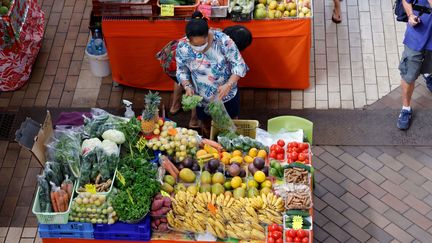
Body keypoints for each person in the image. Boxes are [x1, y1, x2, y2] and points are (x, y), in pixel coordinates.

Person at [175, 11, 249, 136]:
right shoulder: (183, 46)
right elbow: (181, 70)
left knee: (231, 127)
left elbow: (239, 65)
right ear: (188, 39)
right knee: (206, 126)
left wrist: (229, 85)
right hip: (202, 97)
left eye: (202, 44)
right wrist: (187, 86)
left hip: (227, 95)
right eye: (195, 45)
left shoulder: (223, 41)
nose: (199, 48)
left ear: (208, 34)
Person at [397, 0, 432, 130]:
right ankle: (406, 108)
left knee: (429, 64)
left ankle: (427, 73)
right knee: (409, 75)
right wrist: (410, 15)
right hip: (417, 35)